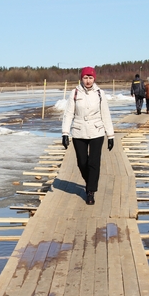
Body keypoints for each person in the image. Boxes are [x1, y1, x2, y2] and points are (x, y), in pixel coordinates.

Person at [62, 67, 115, 205]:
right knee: (82, 162)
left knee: (93, 162)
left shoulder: (99, 93)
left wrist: (110, 135)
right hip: (79, 131)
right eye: (85, 78)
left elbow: (106, 114)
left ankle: (90, 191)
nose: (88, 80)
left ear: (94, 78)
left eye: (90, 78)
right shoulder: (74, 93)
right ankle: (90, 181)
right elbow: (68, 114)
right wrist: (65, 133)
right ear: (81, 78)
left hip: (97, 131)